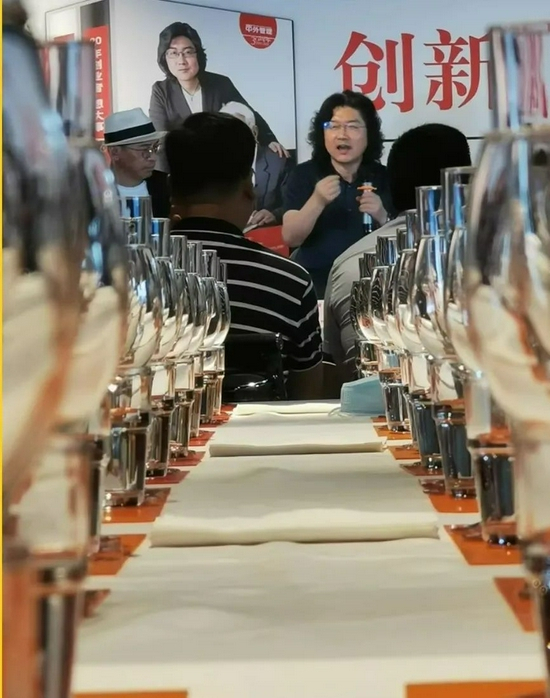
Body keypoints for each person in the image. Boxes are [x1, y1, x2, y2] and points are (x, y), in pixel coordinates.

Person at [166, 112, 323, 400]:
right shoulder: (289, 281)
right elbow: (308, 395)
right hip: (266, 428)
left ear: (170, 189)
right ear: (248, 190)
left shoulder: (130, 279)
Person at [324, 123, 472, 378]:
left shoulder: (349, 264)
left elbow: (337, 370)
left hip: (375, 400)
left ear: (391, 186)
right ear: (466, 182)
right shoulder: (497, 257)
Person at [282, 90, 392, 298]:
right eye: (333, 126)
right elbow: (291, 237)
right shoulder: (304, 174)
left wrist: (383, 216)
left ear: (369, 133)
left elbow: (404, 239)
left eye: (353, 126)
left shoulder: (385, 177)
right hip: (316, 287)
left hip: (373, 286)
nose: (342, 135)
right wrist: (317, 201)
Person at [149, 22, 288, 172]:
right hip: (182, 170)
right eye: (173, 53)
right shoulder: (161, 91)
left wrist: (269, 140)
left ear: (198, 55)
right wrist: (168, 179)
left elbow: (248, 113)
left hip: (221, 167)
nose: (181, 61)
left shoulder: (220, 84)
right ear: (164, 58)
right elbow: (161, 140)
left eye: (188, 52)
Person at [220, 101, 292, 228]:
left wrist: (275, 215)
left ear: (254, 132)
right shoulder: (215, 165)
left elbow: (294, 204)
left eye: (236, 132)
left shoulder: (279, 162)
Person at [103, 108, 170, 217]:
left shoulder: (166, 186)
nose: (153, 157)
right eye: (144, 149)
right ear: (115, 152)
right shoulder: (92, 193)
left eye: (155, 148)